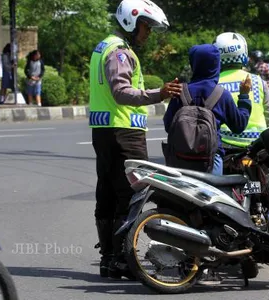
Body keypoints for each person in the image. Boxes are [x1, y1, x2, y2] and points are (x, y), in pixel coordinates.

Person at [89, 0, 182, 280]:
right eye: (146, 26)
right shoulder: (120, 52)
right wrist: (159, 94)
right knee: (129, 196)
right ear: (131, 21)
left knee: (106, 193)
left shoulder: (103, 46)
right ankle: (119, 258)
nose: (148, 33)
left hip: (104, 132)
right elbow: (121, 92)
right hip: (124, 134)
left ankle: (108, 259)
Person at [163, 44, 252, 176]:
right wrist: (244, 96)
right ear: (217, 65)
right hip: (211, 160)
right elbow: (239, 126)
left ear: (194, 64)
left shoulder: (179, 91)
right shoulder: (221, 94)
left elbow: (168, 125)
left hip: (179, 160)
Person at [213, 32, 269, 150]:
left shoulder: (214, 83)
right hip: (257, 144)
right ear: (243, 54)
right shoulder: (257, 80)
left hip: (224, 144)